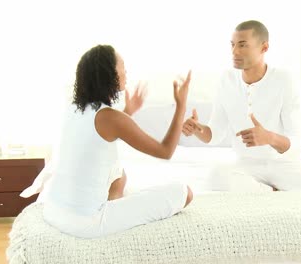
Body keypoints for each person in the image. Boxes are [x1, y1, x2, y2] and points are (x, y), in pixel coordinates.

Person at [39, 44, 193, 238]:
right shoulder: (111, 118)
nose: (126, 71)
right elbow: (165, 151)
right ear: (109, 73)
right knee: (184, 192)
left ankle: (114, 203)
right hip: (85, 224)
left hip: (53, 211)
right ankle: (111, 215)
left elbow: (100, 134)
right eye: (122, 66)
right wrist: (181, 105)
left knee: (119, 172)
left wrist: (129, 112)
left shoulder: (75, 109)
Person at [182, 20, 301, 198]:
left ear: (264, 47)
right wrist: (198, 129)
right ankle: (272, 194)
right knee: (215, 176)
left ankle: (266, 193)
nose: (235, 52)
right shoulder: (226, 80)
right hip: (246, 166)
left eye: (242, 45)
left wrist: (268, 137)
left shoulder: (284, 79)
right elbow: (215, 134)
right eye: (233, 45)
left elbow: (298, 142)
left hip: (284, 164)